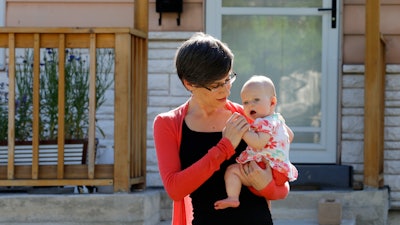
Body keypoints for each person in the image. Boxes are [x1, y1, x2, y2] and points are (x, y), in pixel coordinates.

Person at [153, 32, 290, 225]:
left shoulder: (249, 115)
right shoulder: (168, 123)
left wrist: (266, 185)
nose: (226, 90)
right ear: (189, 83)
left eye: (228, 80)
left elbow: (282, 188)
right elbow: (175, 189)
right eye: (217, 85)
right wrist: (224, 147)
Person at [214, 75, 298, 210]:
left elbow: (258, 143)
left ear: (272, 102)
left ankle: (233, 198)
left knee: (232, 171)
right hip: (280, 170)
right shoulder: (277, 119)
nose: (250, 105)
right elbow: (291, 136)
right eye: (245, 102)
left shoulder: (264, 123)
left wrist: (242, 131)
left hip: (264, 167)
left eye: (256, 100)